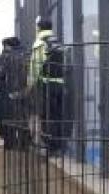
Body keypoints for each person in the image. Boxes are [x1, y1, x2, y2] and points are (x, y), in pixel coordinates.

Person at [28, 18, 65, 151]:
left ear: (39, 28)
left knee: (47, 115)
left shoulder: (40, 43)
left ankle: (51, 145)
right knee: (58, 115)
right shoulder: (58, 41)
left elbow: (35, 66)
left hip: (47, 84)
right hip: (61, 83)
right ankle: (59, 144)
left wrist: (30, 83)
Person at [0, 36, 24, 146]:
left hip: (10, 90)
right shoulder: (3, 58)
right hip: (5, 91)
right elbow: (0, 74)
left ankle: (9, 138)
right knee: (5, 114)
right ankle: (3, 136)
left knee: (10, 115)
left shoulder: (10, 57)